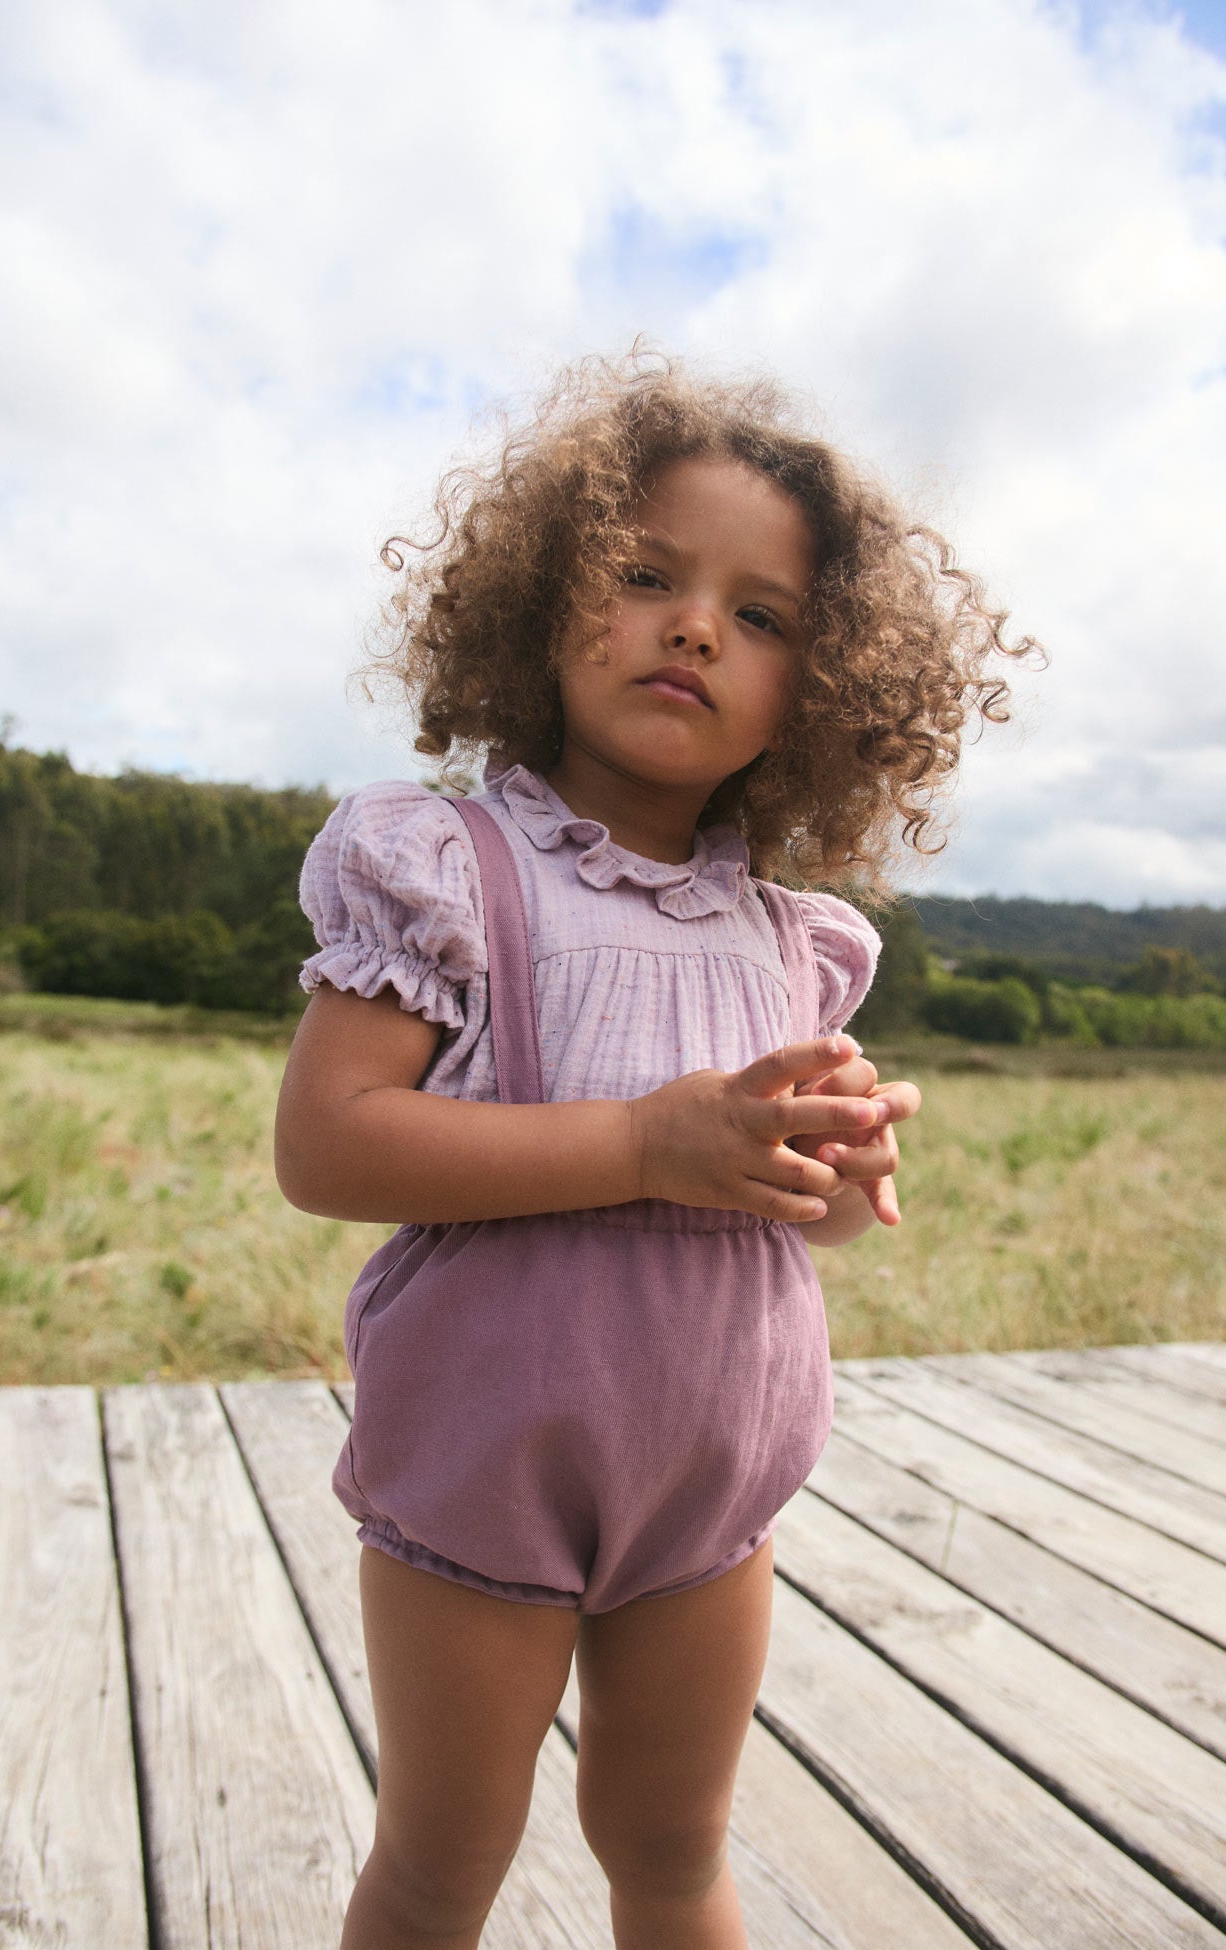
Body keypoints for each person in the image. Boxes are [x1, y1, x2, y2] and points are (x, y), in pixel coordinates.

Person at [275, 353, 1035, 1949]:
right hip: (488, 1463)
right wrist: (643, 1139)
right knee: (441, 1857)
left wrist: (829, 1175)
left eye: (763, 616)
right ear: (543, 603)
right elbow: (330, 1145)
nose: (698, 625)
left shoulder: (794, 941)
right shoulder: (447, 869)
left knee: (673, 1843)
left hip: (714, 1485)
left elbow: (793, 1218)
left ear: (815, 695)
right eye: (646, 577)